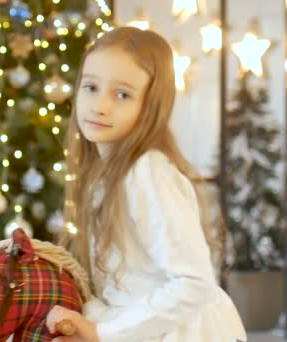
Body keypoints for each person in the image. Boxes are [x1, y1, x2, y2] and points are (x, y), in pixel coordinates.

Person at [45, 27, 247, 342]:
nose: (100, 105)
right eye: (91, 87)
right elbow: (122, 284)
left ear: (150, 106)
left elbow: (193, 282)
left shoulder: (148, 172)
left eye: (122, 94)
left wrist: (103, 333)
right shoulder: (104, 173)